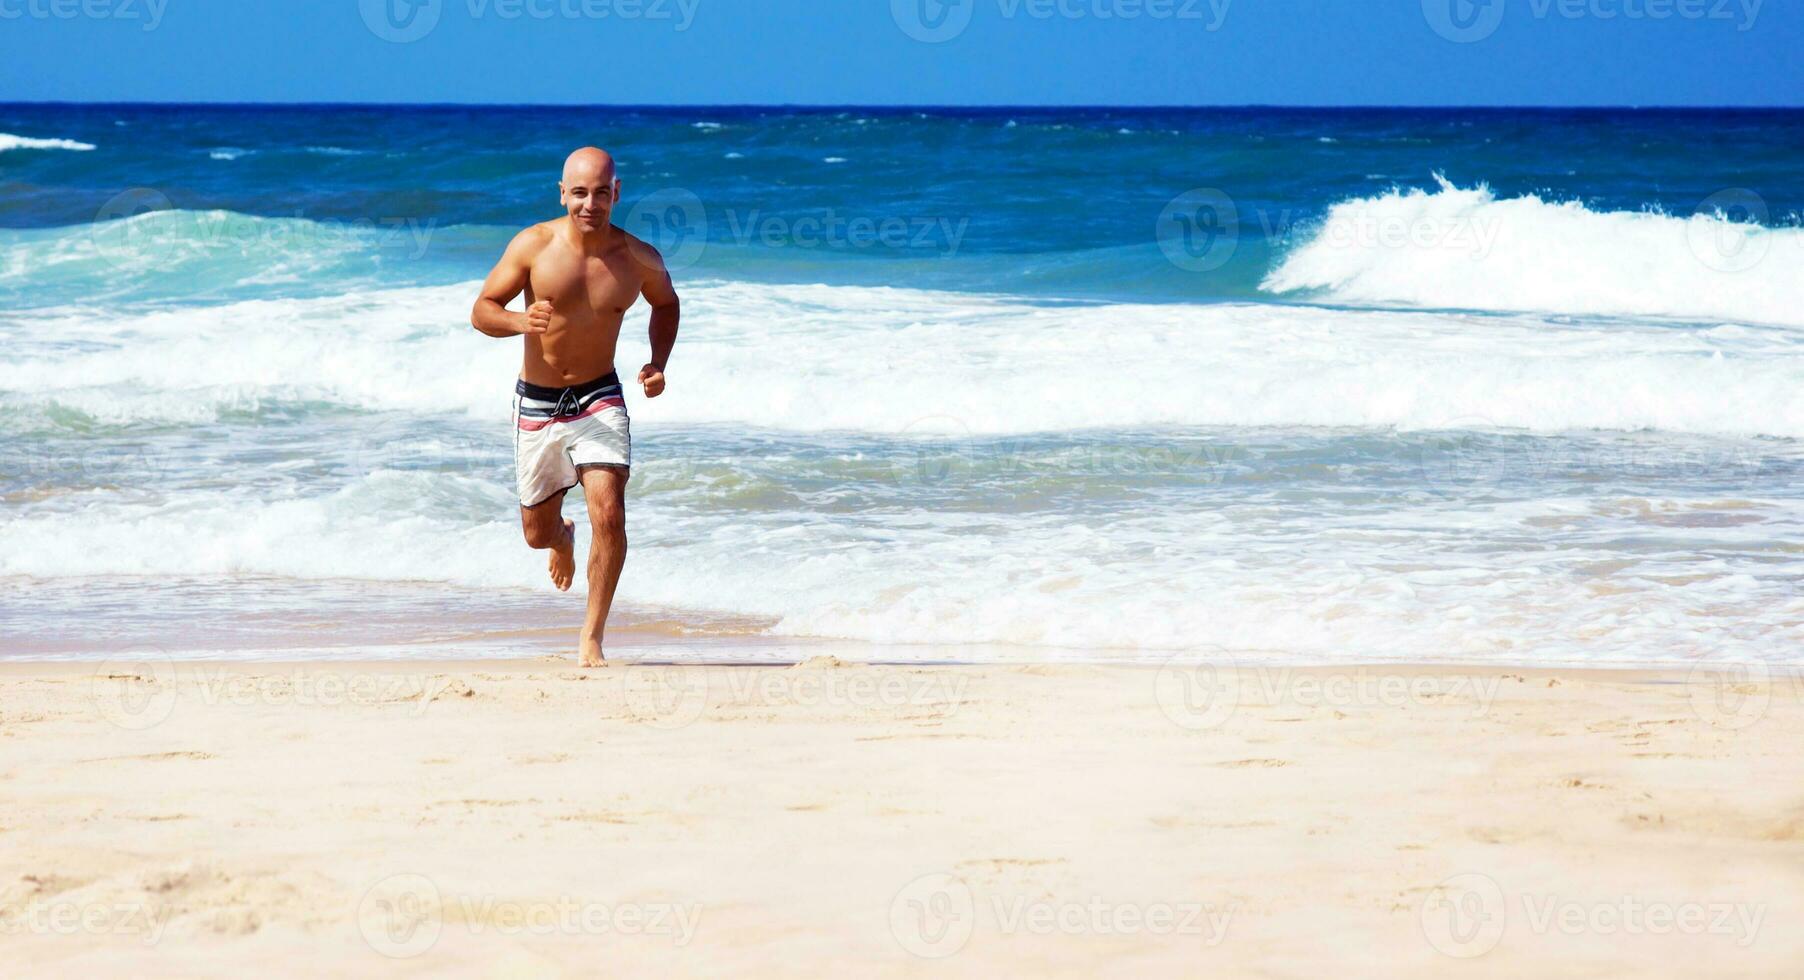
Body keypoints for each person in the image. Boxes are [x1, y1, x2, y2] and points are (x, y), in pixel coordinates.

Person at [470, 146, 680, 667]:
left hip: (599, 396)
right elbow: (482, 310)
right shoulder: (533, 245)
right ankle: (561, 539)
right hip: (539, 402)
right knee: (535, 533)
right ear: (562, 192)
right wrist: (520, 323)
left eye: (601, 192)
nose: (591, 204)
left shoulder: (637, 258)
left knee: (609, 512)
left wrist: (657, 361)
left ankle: (592, 635)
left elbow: (667, 303)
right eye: (580, 193)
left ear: (617, 193)